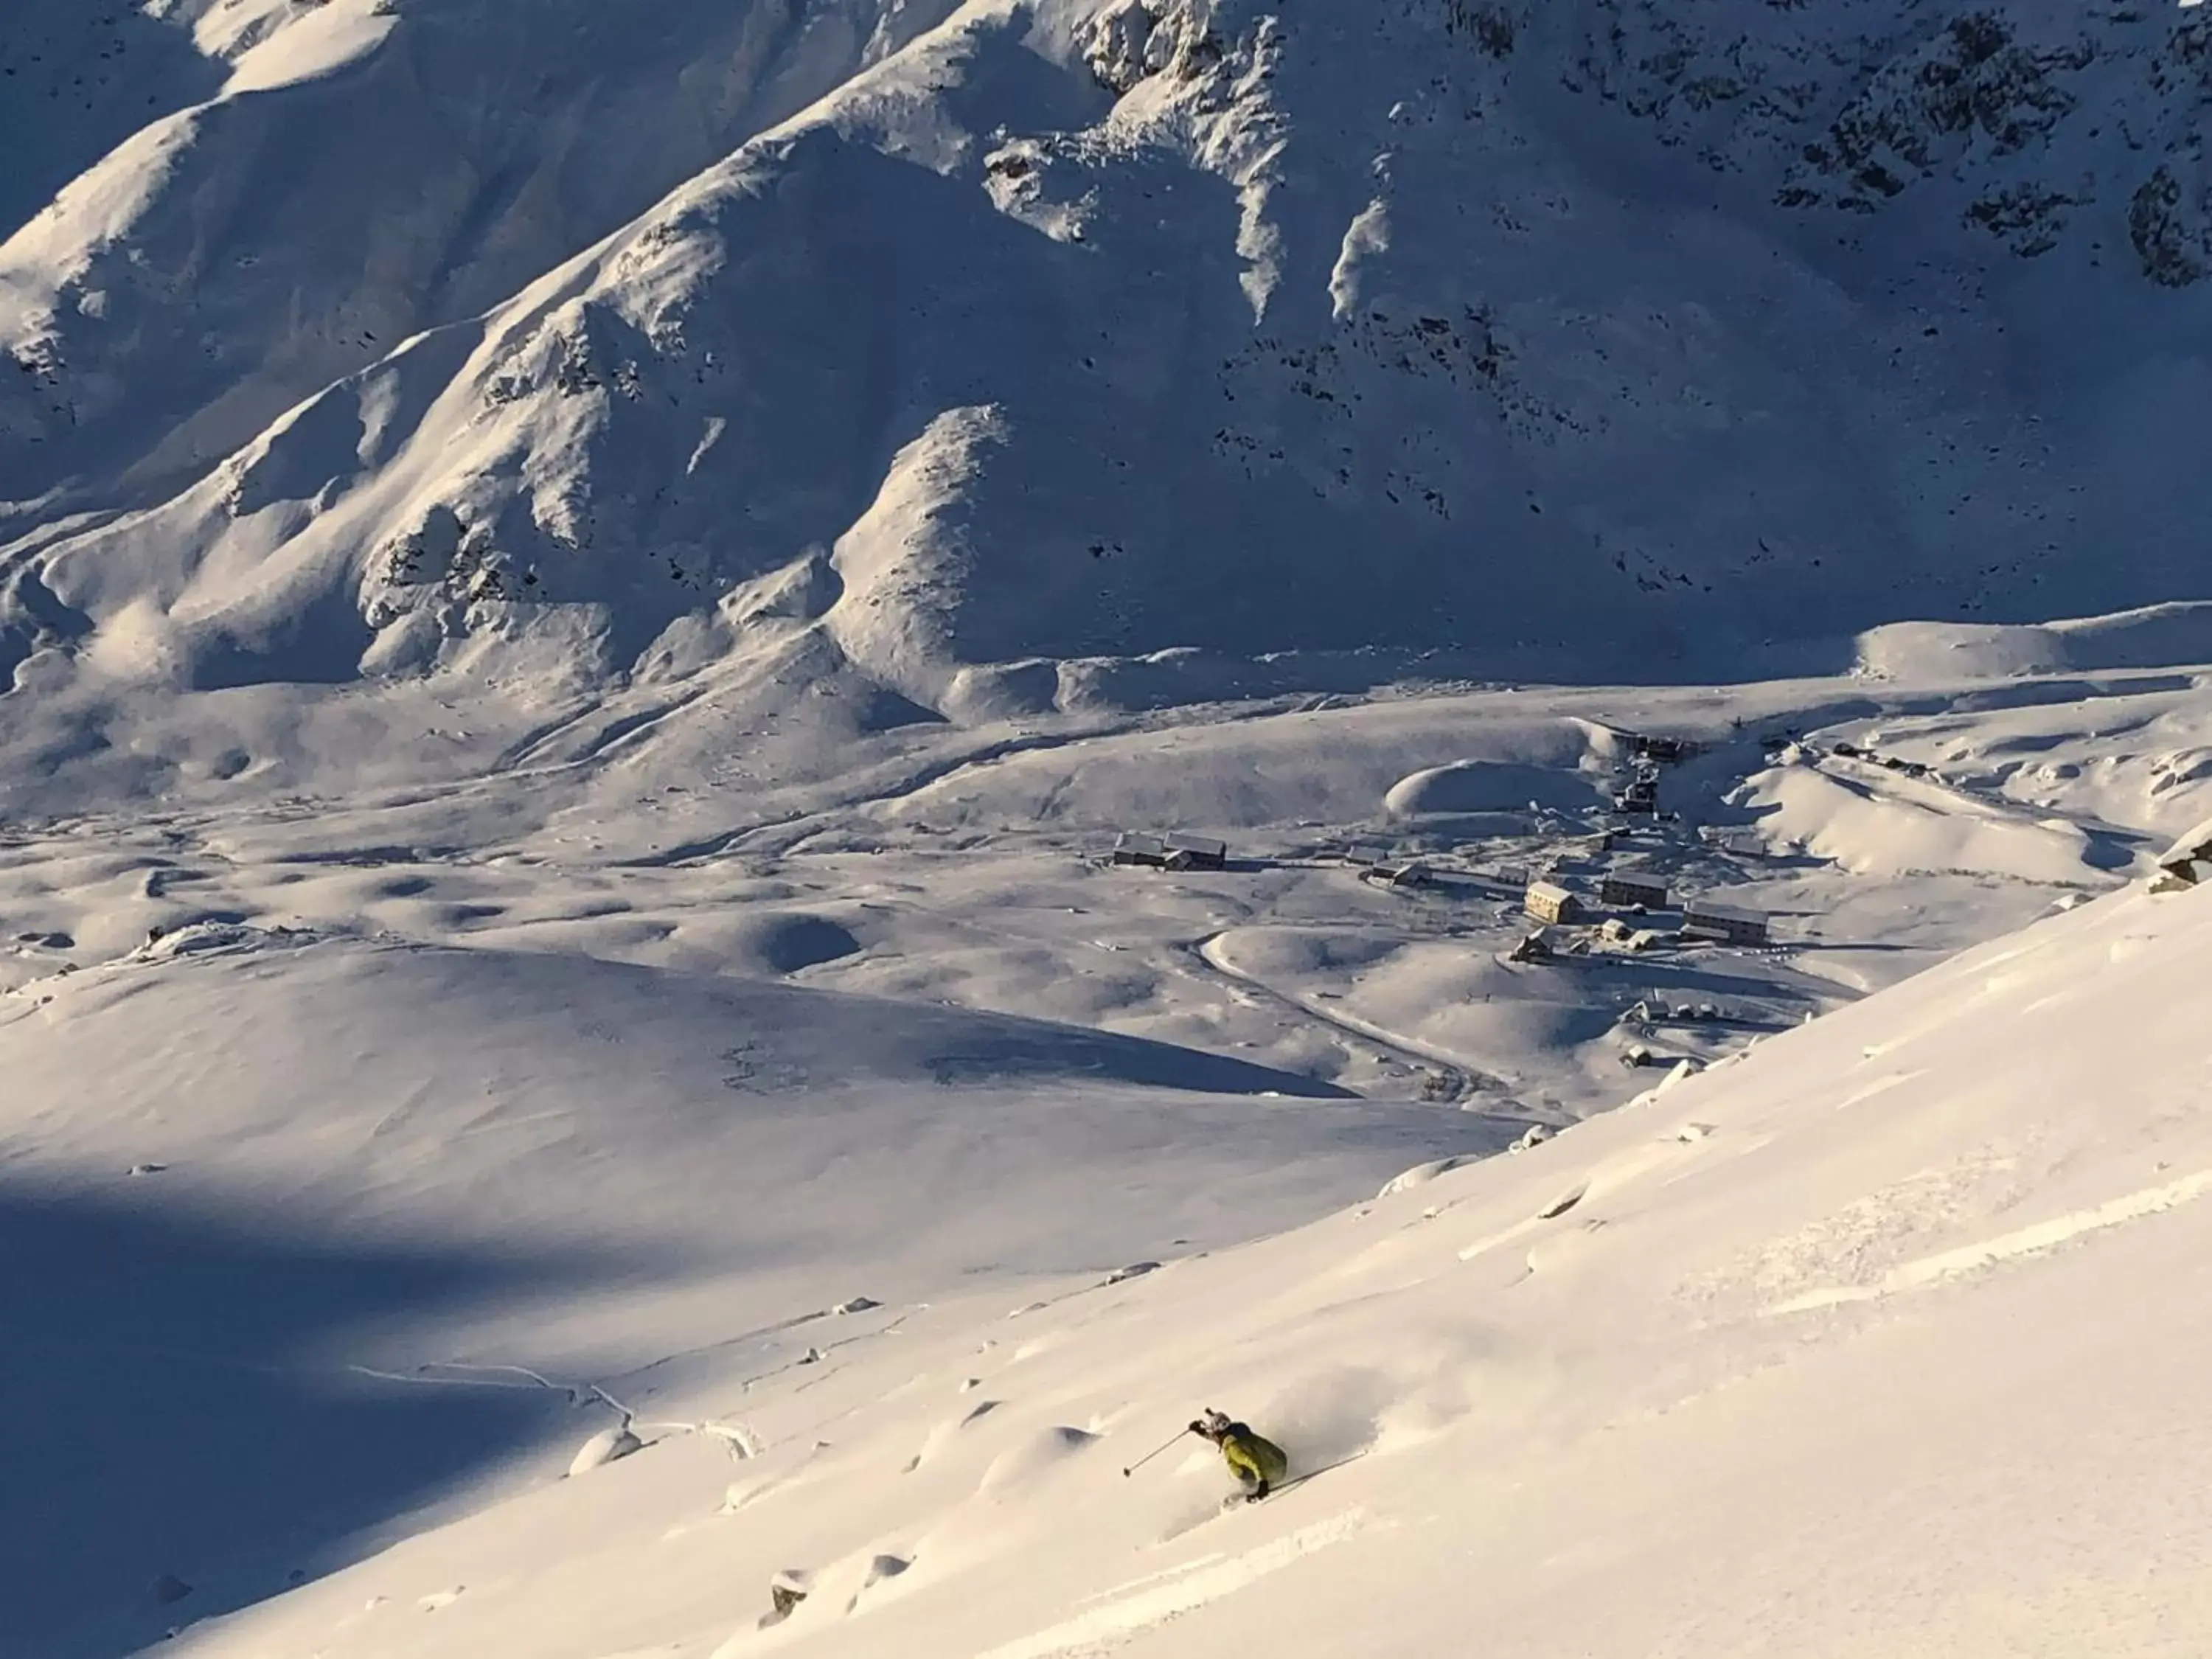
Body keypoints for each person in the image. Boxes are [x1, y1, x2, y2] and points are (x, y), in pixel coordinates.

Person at [1189, 1407, 1287, 1500]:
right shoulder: (1237, 1434)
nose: (1213, 1436)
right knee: (1240, 1471)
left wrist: (1263, 1483)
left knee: (1240, 1471)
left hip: (1274, 1472)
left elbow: (1252, 1461)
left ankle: (1257, 1485)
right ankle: (1254, 1484)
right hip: (1279, 1460)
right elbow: (1217, 1438)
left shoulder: (1233, 1448)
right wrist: (1201, 1431)